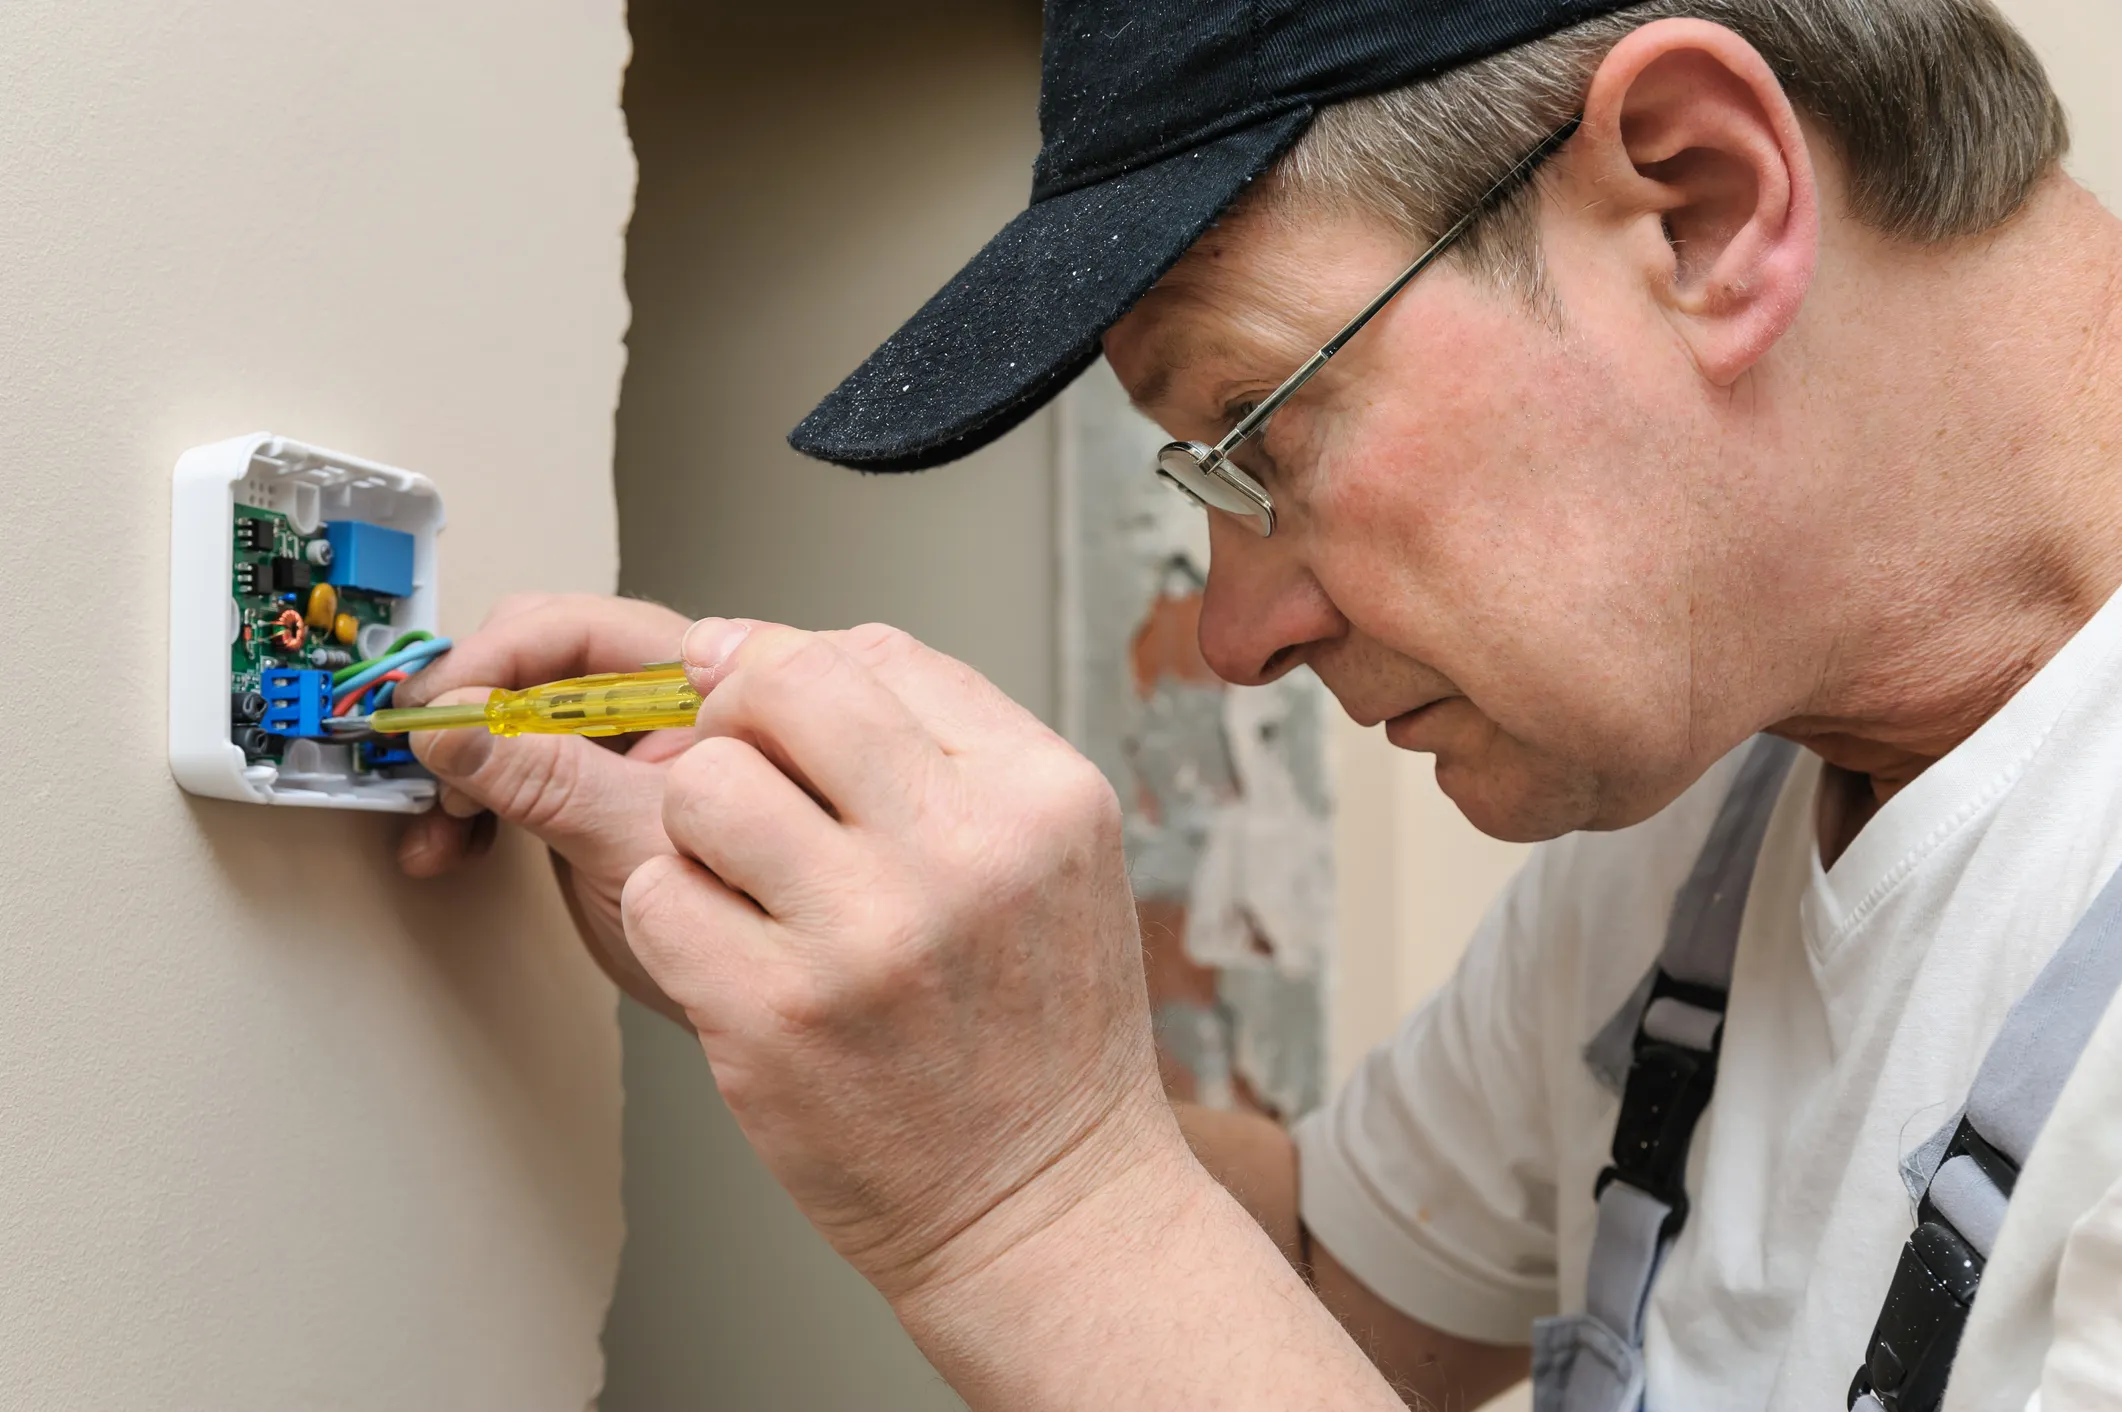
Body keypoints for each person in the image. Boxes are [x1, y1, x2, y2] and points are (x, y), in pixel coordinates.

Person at [395, 0, 2122, 1406]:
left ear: (1697, 199)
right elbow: (1333, 1283)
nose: (1236, 639)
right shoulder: (1701, 815)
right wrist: (851, 981)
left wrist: (1037, 1209)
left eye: (1254, 433)